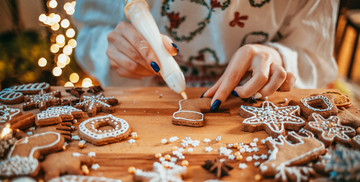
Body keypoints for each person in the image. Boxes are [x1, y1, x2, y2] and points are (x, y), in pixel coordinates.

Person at [73, 0, 339, 111]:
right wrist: (117, 51)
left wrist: (277, 57)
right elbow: (89, 30)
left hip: (254, 102)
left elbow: (315, 56)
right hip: (145, 96)